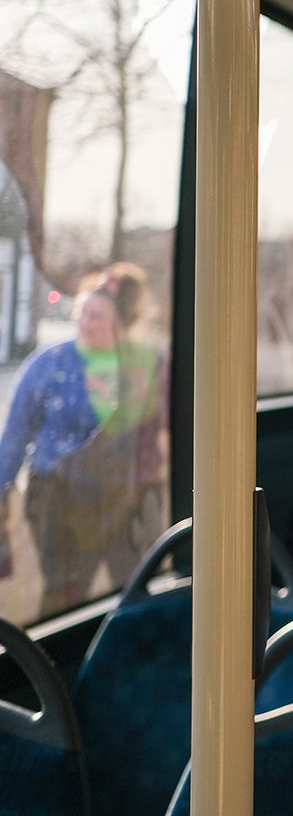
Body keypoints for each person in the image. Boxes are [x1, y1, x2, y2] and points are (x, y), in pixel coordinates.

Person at [0, 263, 167, 616]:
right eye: (82, 313)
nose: (86, 323)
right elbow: (15, 434)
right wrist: (2, 488)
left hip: (123, 498)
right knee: (63, 595)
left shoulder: (145, 365)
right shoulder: (49, 364)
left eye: (97, 316)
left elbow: (154, 437)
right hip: (58, 498)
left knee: (132, 588)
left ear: (121, 323)